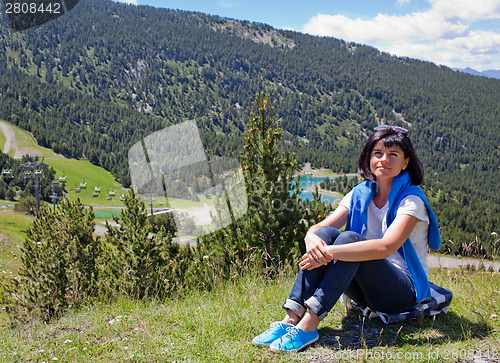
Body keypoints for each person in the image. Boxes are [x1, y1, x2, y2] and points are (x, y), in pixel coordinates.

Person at [252, 125, 441, 352]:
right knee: (325, 235)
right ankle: (291, 318)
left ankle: (310, 325)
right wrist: (311, 237)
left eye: (393, 155)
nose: (384, 160)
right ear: (369, 158)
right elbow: (322, 227)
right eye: (377, 154)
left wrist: (328, 253)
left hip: (401, 292)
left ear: (405, 162)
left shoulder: (411, 201)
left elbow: (386, 247)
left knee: (348, 239)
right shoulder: (361, 193)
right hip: (365, 288)